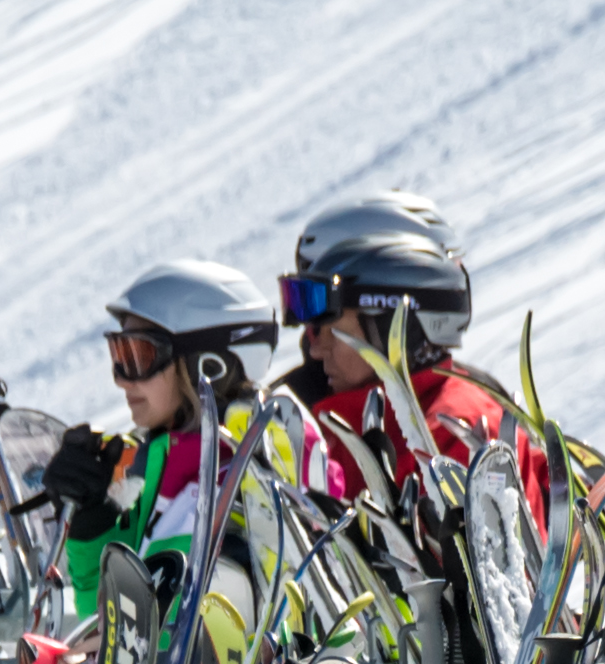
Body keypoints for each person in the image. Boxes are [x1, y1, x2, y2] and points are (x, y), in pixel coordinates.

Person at [277, 194, 550, 523]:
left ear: (391, 324)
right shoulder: (335, 420)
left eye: (327, 325)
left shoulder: (456, 437)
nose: (314, 346)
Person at [45, 258, 272, 622]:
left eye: (138, 356)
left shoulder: (262, 462)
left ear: (206, 364)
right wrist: (93, 521)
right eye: (119, 355)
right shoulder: (161, 467)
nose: (122, 379)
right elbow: (105, 621)